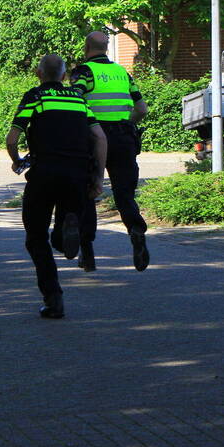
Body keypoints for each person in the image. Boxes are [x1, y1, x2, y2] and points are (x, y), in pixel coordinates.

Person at [6, 54, 106, 319]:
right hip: (77, 175)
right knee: (62, 229)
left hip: (44, 174)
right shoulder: (78, 98)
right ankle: (65, 232)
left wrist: (17, 161)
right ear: (64, 76)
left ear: (39, 73)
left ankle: (54, 298)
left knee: (36, 237)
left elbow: (12, 137)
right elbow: (99, 137)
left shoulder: (35, 97)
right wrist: (97, 177)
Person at [66, 31, 150, 272]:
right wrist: (128, 123)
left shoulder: (84, 72)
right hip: (124, 137)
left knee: (89, 192)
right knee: (124, 193)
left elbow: (75, 101)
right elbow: (142, 108)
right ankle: (135, 229)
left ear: (86, 47)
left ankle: (88, 252)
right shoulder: (122, 73)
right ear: (106, 47)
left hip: (93, 136)